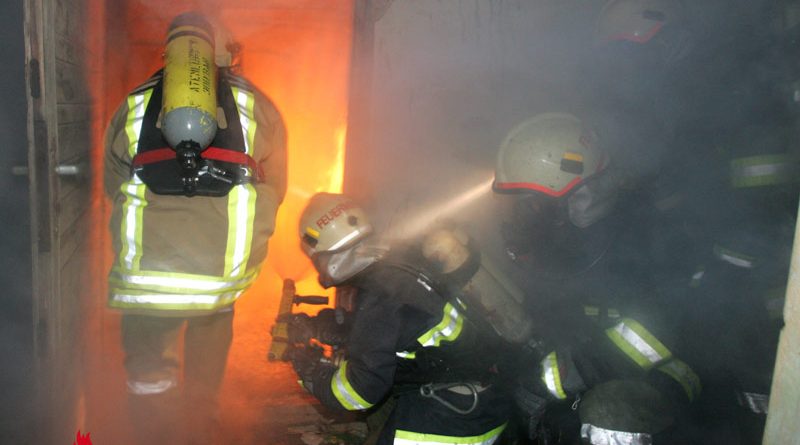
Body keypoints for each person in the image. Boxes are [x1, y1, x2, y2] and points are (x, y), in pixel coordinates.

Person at [103, 11, 286, 444]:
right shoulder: (257, 106)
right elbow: (276, 188)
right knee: (204, 379)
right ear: (224, 55)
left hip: (145, 279)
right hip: (216, 282)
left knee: (149, 375)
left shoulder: (135, 104)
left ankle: (150, 434)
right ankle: (199, 432)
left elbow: (113, 185)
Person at [492, 112, 701, 444]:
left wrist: (552, 377)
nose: (524, 215)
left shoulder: (648, 236)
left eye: (531, 204)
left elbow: (660, 333)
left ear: (573, 195)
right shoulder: (566, 241)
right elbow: (547, 316)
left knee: (609, 414)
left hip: (660, 382)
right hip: (585, 376)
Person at [290, 193, 511, 445]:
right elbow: (392, 327)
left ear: (326, 255)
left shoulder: (378, 297)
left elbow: (359, 392)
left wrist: (311, 371)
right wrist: (320, 327)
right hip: (482, 401)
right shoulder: (395, 263)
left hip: (450, 421)